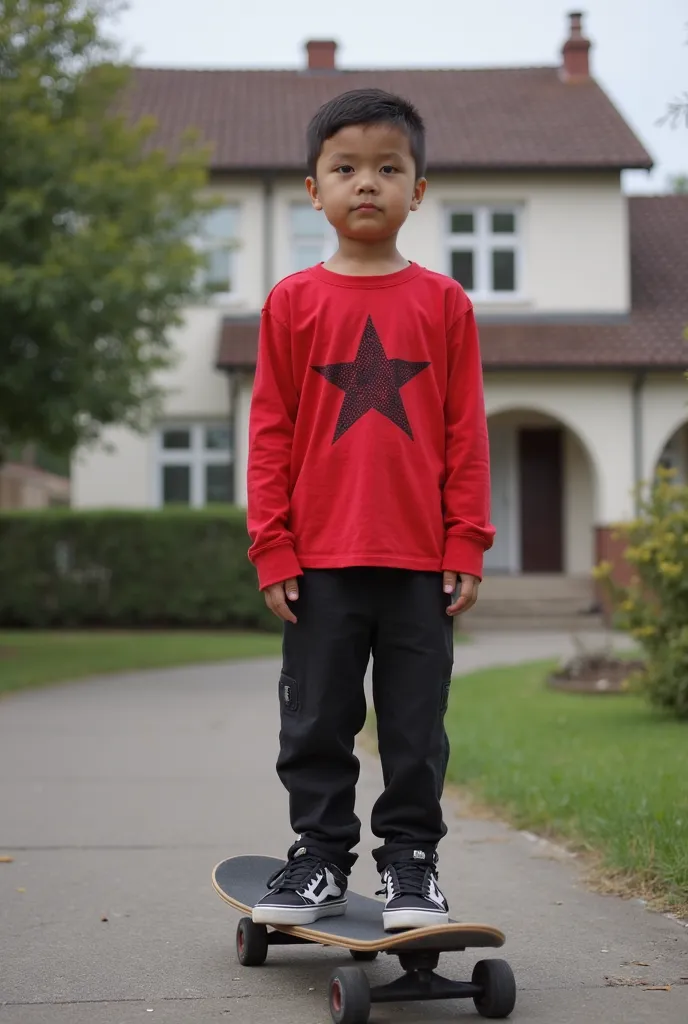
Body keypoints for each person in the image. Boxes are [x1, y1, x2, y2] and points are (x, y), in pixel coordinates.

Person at [246, 87, 495, 932]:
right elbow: (269, 432)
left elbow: (467, 435)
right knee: (316, 720)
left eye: (388, 168)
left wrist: (466, 539)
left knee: (416, 726)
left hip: (422, 564)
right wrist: (272, 548)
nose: (367, 184)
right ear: (312, 189)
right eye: (345, 167)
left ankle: (411, 865)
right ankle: (318, 857)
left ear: (417, 190)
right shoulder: (292, 303)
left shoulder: (446, 305)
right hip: (318, 563)